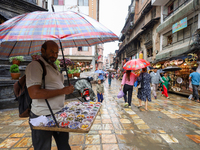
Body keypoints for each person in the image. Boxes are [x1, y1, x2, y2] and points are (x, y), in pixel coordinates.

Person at [26, 41, 74, 150]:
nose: (55, 55)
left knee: (64, 146)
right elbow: (34, 93)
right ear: (42, 50)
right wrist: (62, 91)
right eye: (51, 52)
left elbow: (56, 86)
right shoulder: (35, 65)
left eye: (57, 53)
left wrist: (66, 89)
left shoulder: (53, 66)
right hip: (42, 116)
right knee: (43, 148)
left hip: (58, 114)